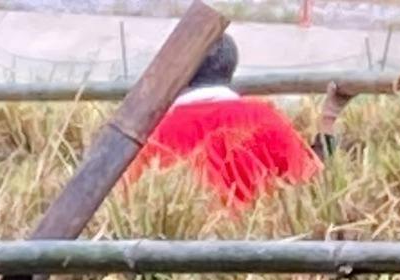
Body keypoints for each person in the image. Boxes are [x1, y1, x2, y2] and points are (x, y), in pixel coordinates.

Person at [132, 34, 321, 209]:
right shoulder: (266, 119)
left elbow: (129, 197)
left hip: (181, 242)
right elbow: (311, 181)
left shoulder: (153, 132)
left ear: (181, 70)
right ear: (230, 67)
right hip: (258, 239)